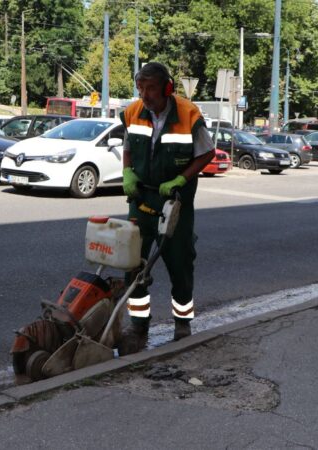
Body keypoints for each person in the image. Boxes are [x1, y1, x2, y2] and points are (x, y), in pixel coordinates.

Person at [118, 62, 215, 355]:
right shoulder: (134, 113)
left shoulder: (188, 114)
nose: (144, 95)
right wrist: (127, 173)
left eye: (150, 89)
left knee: (179, 262)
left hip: (175, 201)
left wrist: (181, 178)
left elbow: (207, 151)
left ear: (167, 88)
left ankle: (182, 322)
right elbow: (127, 147)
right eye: (140, 89)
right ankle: (139, 325)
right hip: (142, 197)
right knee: (133, 264)